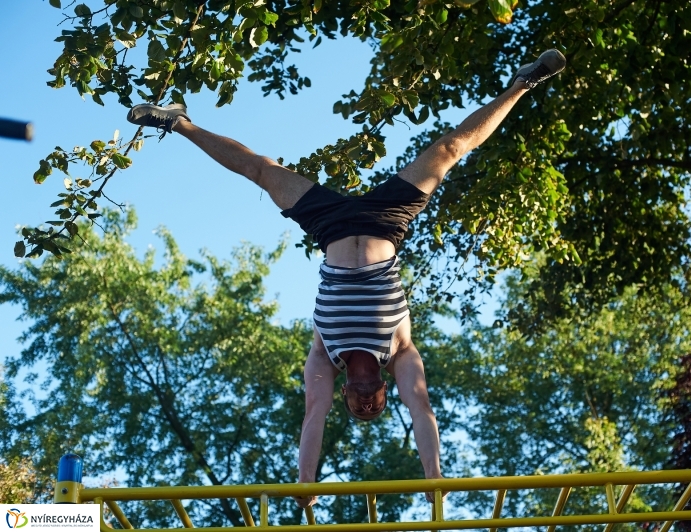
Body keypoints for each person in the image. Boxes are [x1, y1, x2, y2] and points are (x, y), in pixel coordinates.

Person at [127, 49, 566, 506]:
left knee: (262, 170)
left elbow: (312, 416)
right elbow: (421, 408)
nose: (365, 405)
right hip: (387, 221)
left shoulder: (324, 357)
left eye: (358, 410)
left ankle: (178, 122)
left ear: (348, 400)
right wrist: (435, 478)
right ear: (382, 390)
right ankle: (523, 84)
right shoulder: (401, 353)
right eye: (374, 406)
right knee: (449, 150)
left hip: (329, 225)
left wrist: (306, 484)